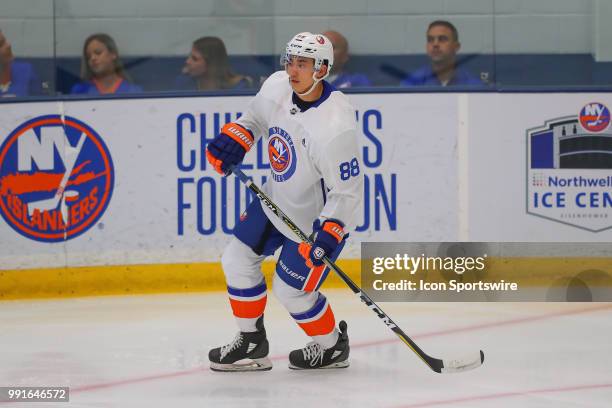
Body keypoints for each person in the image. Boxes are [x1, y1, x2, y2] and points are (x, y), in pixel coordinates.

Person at [205, 32, 363, 371]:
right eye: (290, 61)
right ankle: (251, 341)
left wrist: (330, 233)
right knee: (236, 259)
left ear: (321, 69)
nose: (292, 70)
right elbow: (253, 120)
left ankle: (332, 346)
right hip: (274, 201)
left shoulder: (335, 126)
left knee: (291, 292)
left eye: (302, 63)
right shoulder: (277, 85)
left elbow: (346, 192)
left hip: (313, 226)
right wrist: (235, 141)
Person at [401, 20, 482, 87]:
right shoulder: (412, 84)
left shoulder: (473, 84)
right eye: (430, 40)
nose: (435, 44)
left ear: (456, 47)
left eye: (442, 39)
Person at [71, 33, 142, 95]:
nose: (93, 58)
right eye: (88, 57)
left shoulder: (133, 91)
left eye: (98, 53)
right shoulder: (80, 91)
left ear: (113, 54)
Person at [177, 36, 253, 91]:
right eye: (189, 56)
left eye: (195, 59)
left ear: (211, 64)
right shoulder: (185, 83)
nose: (187, 61)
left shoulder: (241, 87)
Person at [0, 29, 42, 97]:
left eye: (5, 41)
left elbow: (40, 103)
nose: (8, 46)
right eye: (1, 44)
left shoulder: (27, 71)